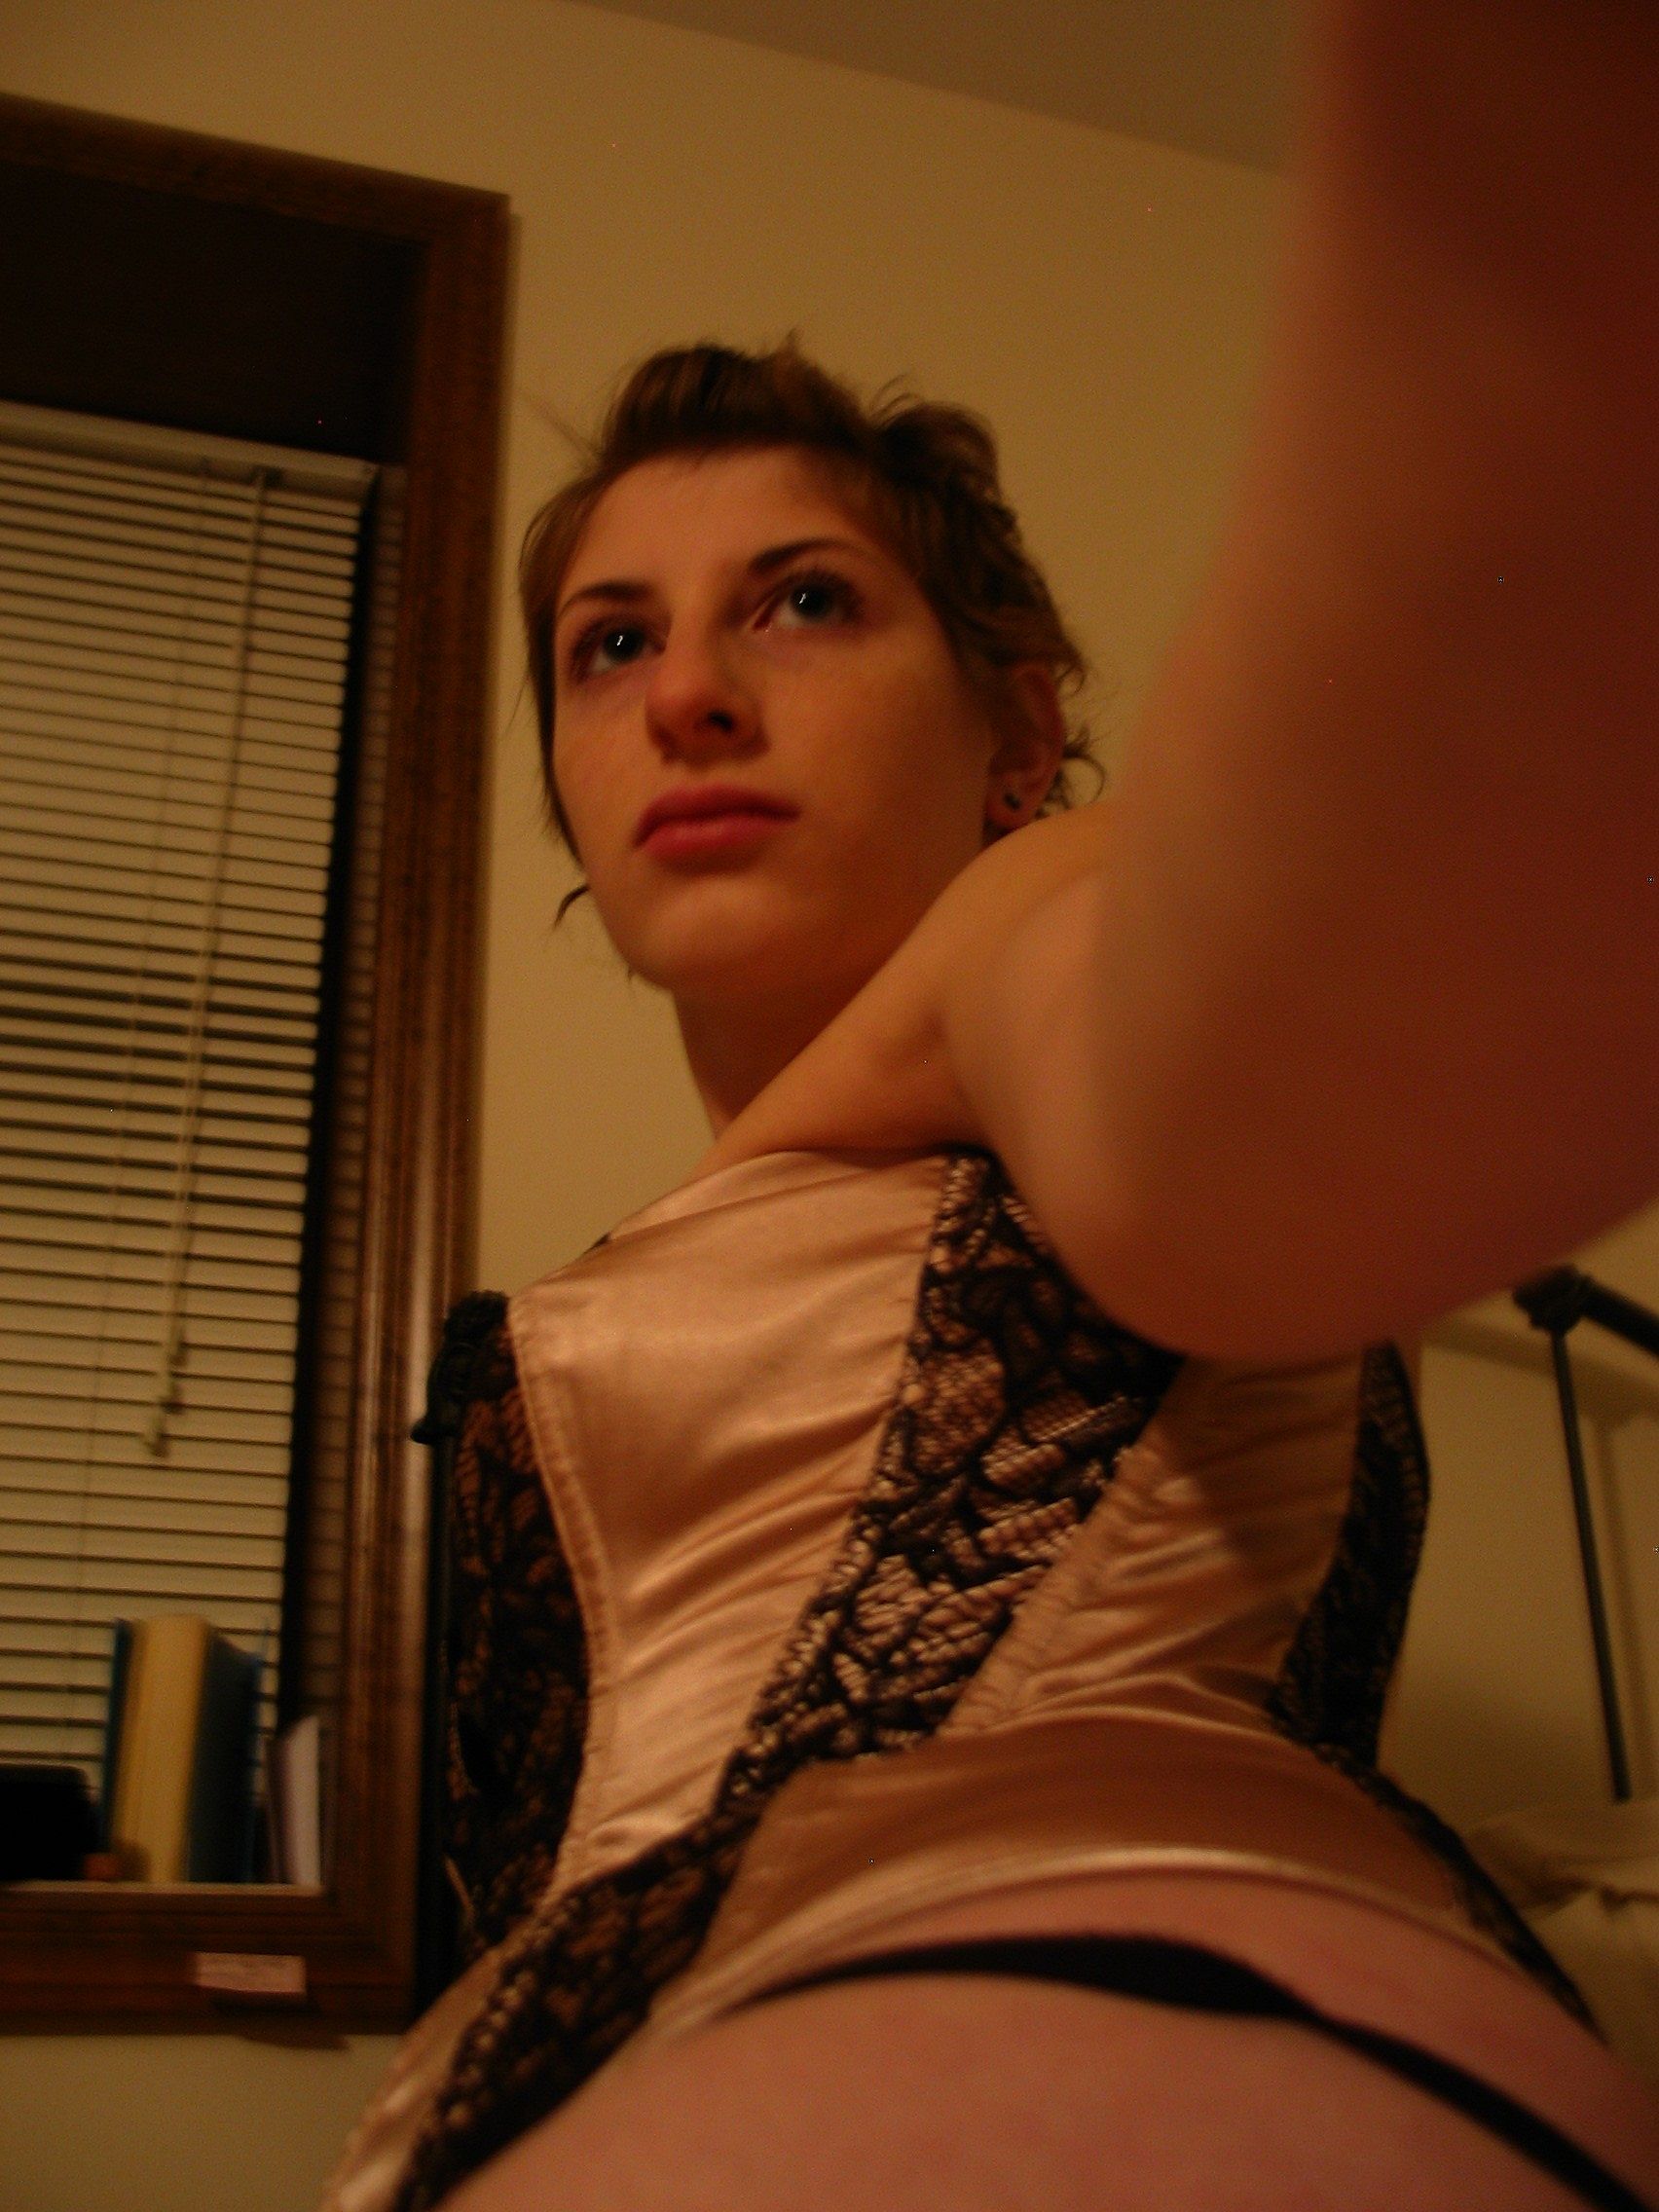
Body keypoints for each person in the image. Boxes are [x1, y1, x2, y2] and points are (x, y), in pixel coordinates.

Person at [323, 3, 1659, 2206]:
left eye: (805, 603)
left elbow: (1260, 1069)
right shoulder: (681, 1235)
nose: (689, 692)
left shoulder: (1046, 930)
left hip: (1081, 1952)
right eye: (608, 642)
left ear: (1021, 736)